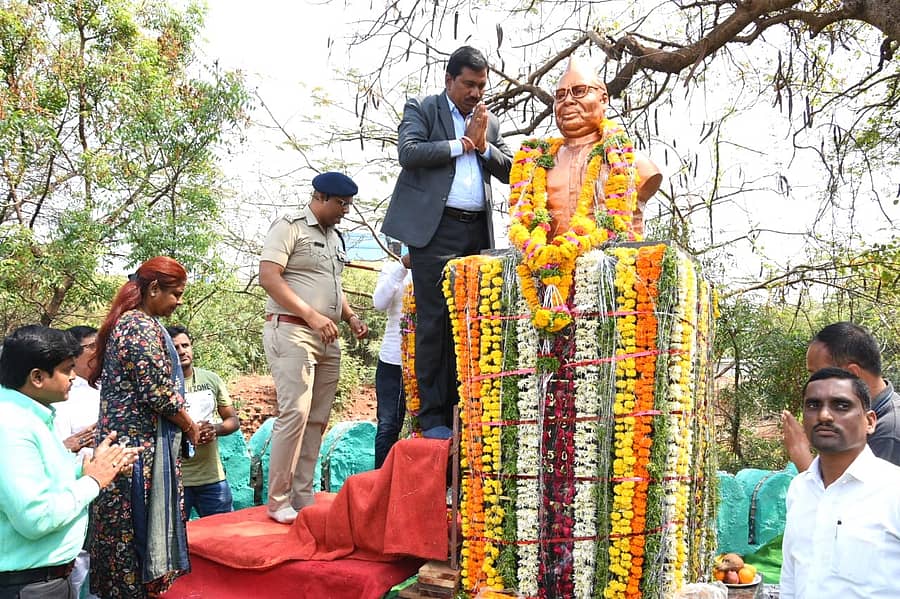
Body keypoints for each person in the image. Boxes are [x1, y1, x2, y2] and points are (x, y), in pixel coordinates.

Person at [380, 45, 513, 439]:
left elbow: (509, 169)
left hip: (476, 233)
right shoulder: (422, 109)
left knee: (473, 319)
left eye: (481, 86)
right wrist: (463, 145)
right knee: (435, 321)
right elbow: (410, 152)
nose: (475, 93)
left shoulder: (488, 122)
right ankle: (434, 418)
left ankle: (467, 408)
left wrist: (484, 145)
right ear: (449, 80)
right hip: (434, 232)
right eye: (469, 84)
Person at [88, 256, 202, 598]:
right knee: (135, 542)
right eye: (176, 293)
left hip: (127, 452)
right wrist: (189, 425)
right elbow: (158, 393)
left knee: (131, 546)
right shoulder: (138, 326)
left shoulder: (131, 323)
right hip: (135, 456)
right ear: (154, 289)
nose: (178, 301)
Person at [259, 171, 369, 524]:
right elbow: (269, 276)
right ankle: (277, 500)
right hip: (292, 331)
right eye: (341, 204)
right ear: (320, 197)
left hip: (328, 335)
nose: (346, 211)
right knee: (295, 414)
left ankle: (302, 495)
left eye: (349, 204)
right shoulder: (288, 226)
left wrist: (350, 317)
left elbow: (332, 285)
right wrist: (310, 315)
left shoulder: (336, 238)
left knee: (318, 418)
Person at [0, 325, 139, 599]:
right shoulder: (11, 425)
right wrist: (94, 480)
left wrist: (98, 465)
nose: (74, 377)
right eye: (66, 369)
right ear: (37, 377)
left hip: (45, 580)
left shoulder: (34, 417)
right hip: (28, 586)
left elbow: (51, 479)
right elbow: (36, 518)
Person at [780, 367, 900, 598]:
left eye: (841, 405)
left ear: (870, 422)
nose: (824, 415)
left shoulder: (893, 490)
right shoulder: (800, 489)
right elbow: (790, 579)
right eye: (813, 405)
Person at [782, 322, 900, 469]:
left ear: (852, 374)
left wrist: (800, 453)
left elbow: (852, 491)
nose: (812, 384)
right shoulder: (859, 415)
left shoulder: (889, 435)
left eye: (818, 375)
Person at [167, 325, 240, 517]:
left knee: (224, 535)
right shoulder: (162, 386)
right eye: (175, 347)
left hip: (213, 479)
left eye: (185, 345)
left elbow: (233, 420)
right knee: (176, 541)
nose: (182, 351)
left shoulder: (211, 379)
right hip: (175, 481)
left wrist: (215, 429)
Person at [53, 325, 101, 599]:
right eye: (92, 346)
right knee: (77, 563)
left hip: (104, 488)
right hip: (77, 491)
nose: (99, 351)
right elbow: (57, 450)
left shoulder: (106, 387)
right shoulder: (62, 397)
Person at [372, 251, 413, 468]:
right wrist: (402, 267)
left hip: (428, 362)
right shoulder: (392, 268)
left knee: (427, 428)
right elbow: (379, 303)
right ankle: (381, 486)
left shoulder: (439, 266)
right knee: (388, 426)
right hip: (393, 361)